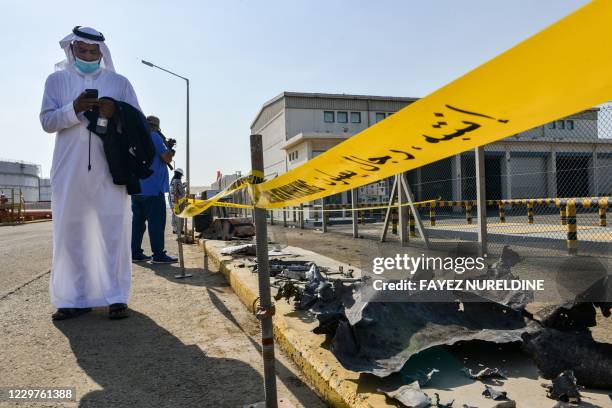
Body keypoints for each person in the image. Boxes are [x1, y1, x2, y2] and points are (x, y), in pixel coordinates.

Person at [40, 26, 140, 320]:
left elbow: (137, 122)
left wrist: (115, 113)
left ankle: (116, 297)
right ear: (72, 50)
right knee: (70, 232)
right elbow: (47, 122)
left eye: (92, 52)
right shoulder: (57, 81)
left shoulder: (119, 82)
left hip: (111, 169)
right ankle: (72, 299)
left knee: (113, 231)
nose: (86, 56)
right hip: (68, 169)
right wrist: (73, 108)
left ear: (101, 53)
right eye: (81, 51)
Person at [130, 116, 178, 264]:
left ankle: (135, 253)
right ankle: (158, 254)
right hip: (153, 189)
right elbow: (166, 158)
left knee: (137, 224)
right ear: (156, 126)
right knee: (156, 224)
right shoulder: (155, 137)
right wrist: (170, 149)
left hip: (137, 189)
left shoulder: (135, 137)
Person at [169, 168, 186, 234]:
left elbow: (174, 192)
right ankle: (180, 230)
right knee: (180, 215)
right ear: (179, 174)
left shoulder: (172, 181)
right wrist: (185, 185)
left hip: (173, 202)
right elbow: (181, 192)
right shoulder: (178, 181)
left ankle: (175, 229)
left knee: (175, 215)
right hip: (179, 202)